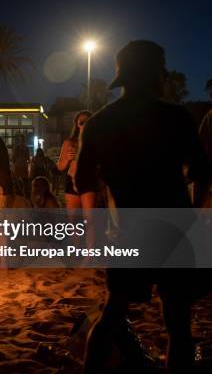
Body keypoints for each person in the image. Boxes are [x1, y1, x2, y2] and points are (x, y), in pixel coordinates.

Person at [76, 40, 211, 372]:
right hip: (174, 231)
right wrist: (195, 214)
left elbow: (82, 181)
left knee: (112, 314)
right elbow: (202, 173)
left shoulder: (99, 123)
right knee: (178, 325)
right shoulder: (176, 118)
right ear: (155, 75)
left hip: (128, 232)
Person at [57, 111, 95, 209]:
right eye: (81, 122)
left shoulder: (95, 142)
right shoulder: (69, 143)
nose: (84, 124)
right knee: (73, 219)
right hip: (72, 179)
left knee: (89, 218)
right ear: (77, 125)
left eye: (88, 121)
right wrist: (67, 160)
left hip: (89, 180)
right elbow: (60, 166)